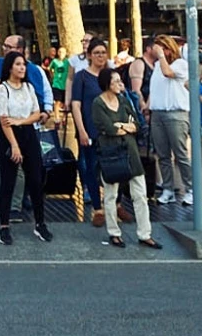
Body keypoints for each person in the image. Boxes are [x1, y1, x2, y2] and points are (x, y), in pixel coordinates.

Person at [89, 65, 160, 249]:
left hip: (130, 151)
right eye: (116, 81)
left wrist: (122, 126)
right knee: (111, 194)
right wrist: (121, 127)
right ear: (107, 83)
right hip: (110, 152)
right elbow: (107, 128)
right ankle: (114, 232)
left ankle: (145, 233)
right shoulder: (98, 103)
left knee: (140, 194)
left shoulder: (124, 100)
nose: (120, 84)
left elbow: (136, 123)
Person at [0, 53, 52, 246]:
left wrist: (22, 121)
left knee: (35, 179)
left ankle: (40, 222)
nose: (22, 68)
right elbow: (3, 120)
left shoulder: (28, 87)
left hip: (28, 133)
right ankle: (4, 226)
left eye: (23, 65)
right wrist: (14, 146)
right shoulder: (3, 89)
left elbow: (36, 113)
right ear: (9, 67)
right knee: (8, 182)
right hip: (9, 136)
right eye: (17, 65)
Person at [69, 37, 112, 227]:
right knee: (91, 168)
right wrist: (82, 130)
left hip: (111, 131)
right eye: (96, 53)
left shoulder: (112, 75)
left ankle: (115, 205)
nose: (100, 56)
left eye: (103, 52)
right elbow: (76, 105)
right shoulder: (82, 76)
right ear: (89, 55)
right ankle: (97, 208)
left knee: (113, 169)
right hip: (90, 130)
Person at [145, 36, 191, 206]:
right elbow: (156, 87)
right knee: (162, 155)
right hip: (158, 112)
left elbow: (168, 73)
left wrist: (162, 57)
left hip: (175, 113)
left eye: (162, 48)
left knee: (180, 153)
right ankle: (168, 189)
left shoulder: (180, 64)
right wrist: (149, 106)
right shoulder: (157, 66)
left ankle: (190, 188)